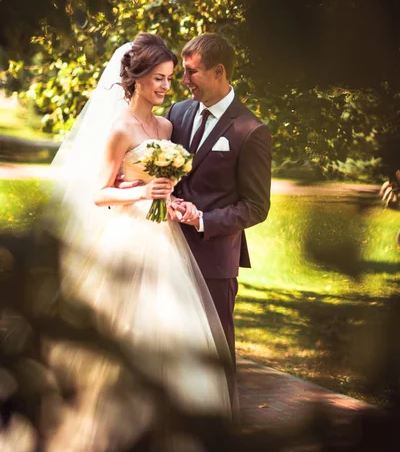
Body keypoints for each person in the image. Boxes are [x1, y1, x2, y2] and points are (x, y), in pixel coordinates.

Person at [47, 33, 233, 422]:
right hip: (125, 239)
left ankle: (171, 420)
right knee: (124, 331)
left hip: (165, 239)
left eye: (170, 78)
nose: (167, 86)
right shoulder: (120, 129)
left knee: (171, 329)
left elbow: (161, 191)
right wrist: (142, 193)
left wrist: (170, 200)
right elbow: (99, 193)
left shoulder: (166, 129)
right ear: (138, 79)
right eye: (160, 78)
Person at [166, 33, 272, 362]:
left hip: (214, 260)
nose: (184, 81)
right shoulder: (177, 112)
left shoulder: (250, 130)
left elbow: (257, 207)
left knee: (215, 352)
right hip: (167, 252)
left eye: (191, 72)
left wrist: (203, 220)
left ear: (219, 71)